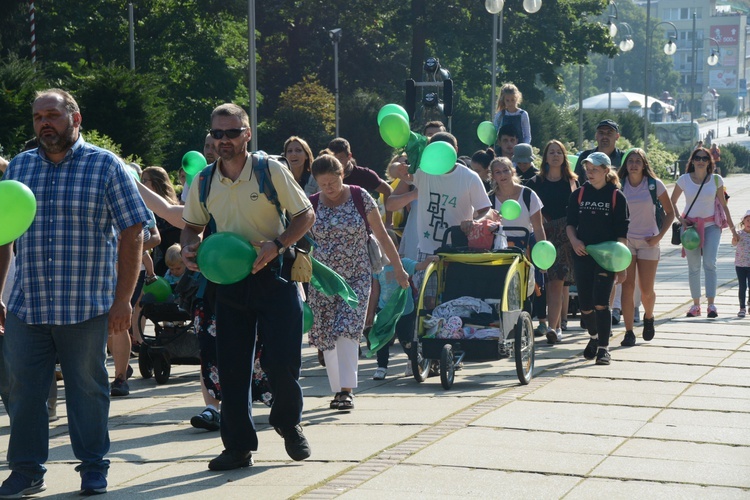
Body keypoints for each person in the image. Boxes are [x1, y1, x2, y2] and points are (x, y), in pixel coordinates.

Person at [0, 88, 151, 496]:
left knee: (87, 390)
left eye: (52, 114)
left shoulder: (105, 166)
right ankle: (26, 470)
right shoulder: (19, 167)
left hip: (85, 304)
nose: (44, 123)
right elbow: (4, 237)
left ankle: (92, 467)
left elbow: (134, 231)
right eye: (37, 118)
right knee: (22, 391)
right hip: (26, 305)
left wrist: (123, 299)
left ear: (75, 118)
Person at [181, 103, 315, 470]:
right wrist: (190, 247)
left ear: (247, 133)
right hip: (228, 281)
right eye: (217, 134)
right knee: (232, 367)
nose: (223, 140)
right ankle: (238, 447)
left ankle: (288, 424)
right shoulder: (205, 180)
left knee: (281, 361)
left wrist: (278, 245)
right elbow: (191, 225)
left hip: (274, 276)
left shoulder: (269, 169)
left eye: (231, 133)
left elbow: (305, 215)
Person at [308, 155, 408, 408]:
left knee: (348, 330)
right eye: (323, 184)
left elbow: (383, 236)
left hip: (357, 277)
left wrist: (398, 269)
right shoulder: (312, 204)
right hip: (323, 280)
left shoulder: (360, 197)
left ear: (342, 174)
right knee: (327, 334)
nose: (329, 188)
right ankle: (337, 390)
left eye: (333, 181)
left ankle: (347, 389)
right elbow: (300, 242)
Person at [566, 152, 630, 366]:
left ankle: (604, 348)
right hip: (583, 255)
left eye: (594, 169)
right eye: (587, 169)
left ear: (606, 170)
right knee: (585, 306)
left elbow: (622, 233)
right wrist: (575, 241)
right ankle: (593, 337)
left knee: (601, 303)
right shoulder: (579, 194)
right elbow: (570, 224)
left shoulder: (616, 196)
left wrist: (621, 266)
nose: (590, 173)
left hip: (608, 258)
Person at [616, 149, 675, 346]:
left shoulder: (654, 185)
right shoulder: (619, 184)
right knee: (627, 285)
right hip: (627, 242)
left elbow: (670, 213)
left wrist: (659, 236)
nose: (633, 164)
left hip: (649, 241)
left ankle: (649, 317)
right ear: (626, 165)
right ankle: (629, 331)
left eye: (638, 161)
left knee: (646, 289)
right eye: (630, 161)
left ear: (644, 165)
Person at [670, 147, 738, 318]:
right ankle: (695, 306)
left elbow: (723, 206)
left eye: (704, 158)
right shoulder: (684, 180)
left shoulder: (716, 180)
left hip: (711, 226)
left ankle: (711, 305)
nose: (701, 161)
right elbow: (672, 201)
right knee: (693, 267)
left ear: (709, 162)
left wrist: (733, 230)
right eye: (697, 158)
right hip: (691, 228)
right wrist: (680, 218)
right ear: (692, 161)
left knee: (710, 263)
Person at [527, 140, 579, 344]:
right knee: (544, 284)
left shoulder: (573, 182)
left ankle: (553, 328)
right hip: (541, 235)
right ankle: (555, 325)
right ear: (546, 157)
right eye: (551, 152)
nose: (555, 155)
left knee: (556, 283)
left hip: (564, 236)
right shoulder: (535, 182)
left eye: (559, 152)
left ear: (564, 157)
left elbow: (578, 210)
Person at [367, 231, 438, 380]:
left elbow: (419, 266)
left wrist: (429, 260)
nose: (385, 251)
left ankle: (413, 359)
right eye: (381, 247)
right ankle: (382, 366)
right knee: (382, 339)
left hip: (405, 311)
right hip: (385, 310)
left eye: (388, 246)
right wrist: (370, 313)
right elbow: (375, 292)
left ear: (396, 247)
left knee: (406, 340)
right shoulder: (377, 268)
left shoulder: (404, 263)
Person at [327, 137, 394, 226]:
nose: (337, 163)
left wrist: (389, 221)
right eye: (334, 159)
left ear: (349, 156)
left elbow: (387, 190)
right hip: (334, 225)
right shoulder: (325, 177)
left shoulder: (363, 174)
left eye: (341, 158)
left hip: (362, 225)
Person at [141, 166, 181, 277]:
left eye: (144, 180)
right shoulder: (143, 208)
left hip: (172, 264)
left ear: (156, 182)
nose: (141, 184)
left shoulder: (171, 209)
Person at [732, 210, 750, 317]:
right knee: (742, 286)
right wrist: (735, 240)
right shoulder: (739, 234)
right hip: (740, 265)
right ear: (743, 222)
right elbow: (733, 243)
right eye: (748, 220)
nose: (749, 223)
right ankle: (742, 307)